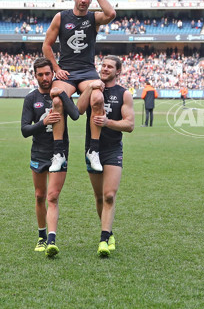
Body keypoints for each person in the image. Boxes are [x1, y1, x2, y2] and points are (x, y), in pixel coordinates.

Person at [42, 0, 116, 173]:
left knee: (98, 97)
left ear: (91, 0)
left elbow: (111, 14)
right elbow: (46, 45)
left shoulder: (94, 18)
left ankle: (93, 150)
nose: (83, 0)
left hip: (87, 72)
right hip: (66, 71)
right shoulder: (61, 17)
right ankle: (59, 153)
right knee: (57, 99)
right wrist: (56, 68)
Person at [21, 58, 79, 257]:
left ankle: (52, 241)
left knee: (52, 197)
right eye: (41, 75)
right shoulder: (31, 98)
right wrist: (43, 122)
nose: (45, 78)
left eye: (48, 74)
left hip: (59, 152)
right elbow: (24, 130)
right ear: (35, 76)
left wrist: (62, 93)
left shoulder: (60, 93)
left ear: (52, 74)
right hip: (38, 152)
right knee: (39, 195)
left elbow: (76, 115)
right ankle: (41, 236)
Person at [77, 55, 134, 257]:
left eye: (110, 67)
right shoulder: (93, 88)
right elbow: (78, 110)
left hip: (112, 149)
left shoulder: (124, 94)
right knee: (99, 196)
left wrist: (108, 122)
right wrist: (91, 88)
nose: (105, 69)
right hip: (92, 149)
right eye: (103, 65)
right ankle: (108, 231)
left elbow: (130, 125)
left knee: (109, 195)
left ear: (118, 71)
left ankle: (104, 238)